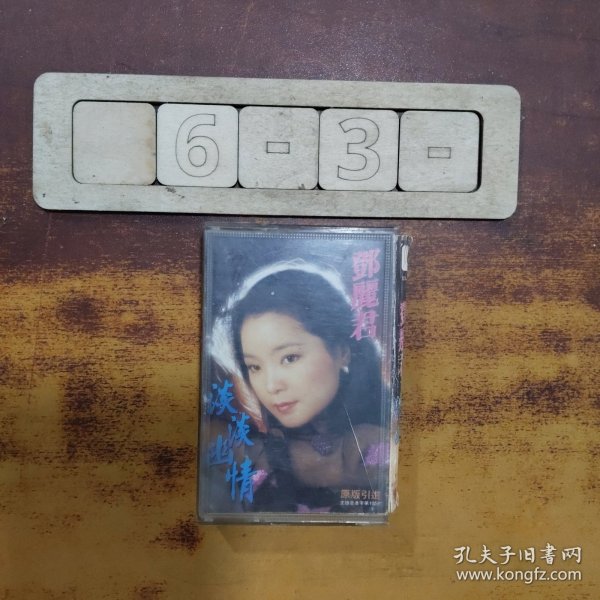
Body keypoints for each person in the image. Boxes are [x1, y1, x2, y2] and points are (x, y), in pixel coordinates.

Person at [209, 261, 389, 513]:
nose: (271, 385)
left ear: (342, 352)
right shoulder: (251, 454)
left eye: (289, 358)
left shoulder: (374, 447)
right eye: (254, 367)